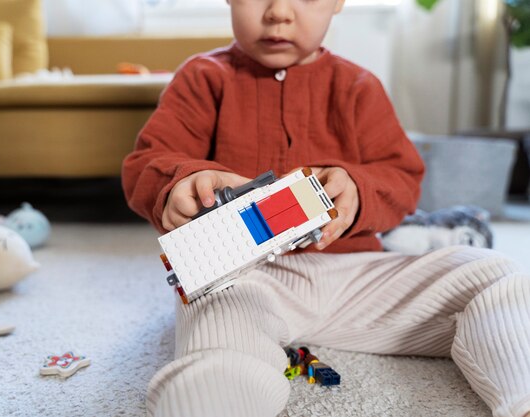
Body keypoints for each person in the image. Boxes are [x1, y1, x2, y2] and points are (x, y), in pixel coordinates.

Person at [122, 0, 530, 416]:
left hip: (353, 278)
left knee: (491, 273)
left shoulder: (357, 85)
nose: (278, 12)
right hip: (243, 280)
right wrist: (181, 182)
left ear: (337, 2)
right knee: (219, 340)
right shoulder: (202, 78)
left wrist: (358, 189)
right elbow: (147, 163)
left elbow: (403, 177)